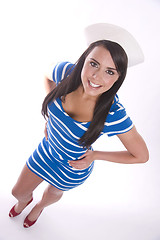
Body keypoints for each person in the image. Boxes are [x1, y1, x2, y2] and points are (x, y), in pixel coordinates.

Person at [9, 23, 149, 228]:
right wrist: (51, 120)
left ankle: (39, 207)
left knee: (53, 192)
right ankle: (25, 201)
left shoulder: (113, 113)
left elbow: (141, 156)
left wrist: (95, 155)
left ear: (118, 78)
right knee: (17, 191)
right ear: (84, 60)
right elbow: (47, 76)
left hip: (72, 168)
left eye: (110, 71)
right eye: (94, 64)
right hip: (47, 151)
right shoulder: (66, 72)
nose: (96, 77)